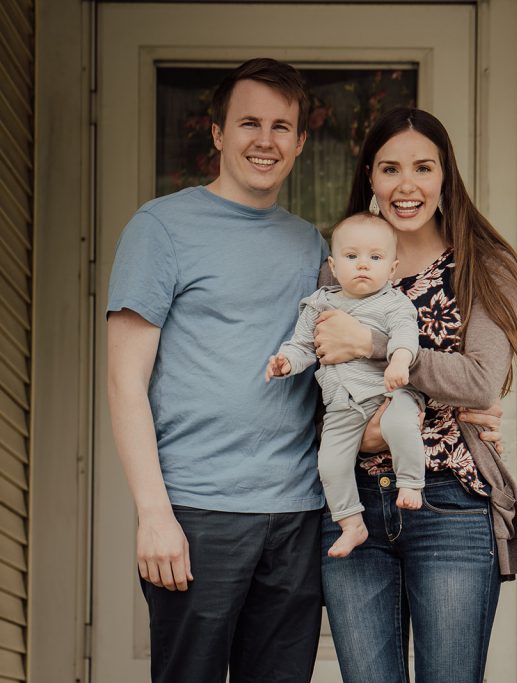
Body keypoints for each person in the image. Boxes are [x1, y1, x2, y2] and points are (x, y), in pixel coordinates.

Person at [312, 107, 517, 683]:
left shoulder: (483, 267)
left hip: (450, 506)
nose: (407, 185)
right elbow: (320, 381)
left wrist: (370, 343)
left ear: (445, 174)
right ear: (370, 177)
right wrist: (361, 428)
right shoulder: (340, 270)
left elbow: (479, 380)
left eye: (423, 167)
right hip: (354, 506)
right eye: (390, 168)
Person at [106, 58, 328, 682]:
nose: (265, 140)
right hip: (197, 512)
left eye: (281, 127)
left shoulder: (311, 244)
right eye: (249, 123)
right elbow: (124, 382)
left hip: (296, 514)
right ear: (218, 133)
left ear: (300, 143)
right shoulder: (160, 228)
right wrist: (154, 514)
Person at [267, 213, 426, 559]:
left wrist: (399, 361)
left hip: (389, 392)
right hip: (342, 403)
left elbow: (405, 335)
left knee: (400, 424)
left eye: (375, 257)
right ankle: (352, 523)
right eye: (352, 256)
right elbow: (303, 345)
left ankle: (411, 482)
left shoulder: (393, 302)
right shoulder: (319, 304)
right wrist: (286, 361)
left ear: (392, 268)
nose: (363, 265)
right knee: (330, 463)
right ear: (333, 266)